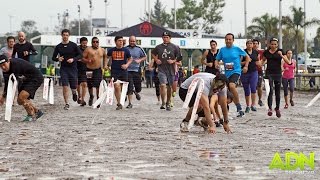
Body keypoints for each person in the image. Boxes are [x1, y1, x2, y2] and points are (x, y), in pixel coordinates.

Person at [215, 33, 250, 117]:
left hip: (236, 71)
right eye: (226, 39)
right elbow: (217, 59)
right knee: (226, 92)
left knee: (231, 86)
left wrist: (246, 66)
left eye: (230, 39)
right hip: (227, 74)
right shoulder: (222, 50)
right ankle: (235, 109)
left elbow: (247, 57)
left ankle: (238, 107)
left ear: (233, 40)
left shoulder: (237, 49)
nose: (228, 41)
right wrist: (216, 64)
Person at [0, 55, 44, 121]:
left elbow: (15, 83)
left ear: (8, 61)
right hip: (25, 79)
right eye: (1, 66)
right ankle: (37, 111)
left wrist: (6, 97)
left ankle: (31, 115)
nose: (3, 67)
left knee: (22, 97)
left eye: (4, 64)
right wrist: (3, 97)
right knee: (20, 101)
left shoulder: (16, 65)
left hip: (36, 77)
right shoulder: (5, 71)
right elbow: (7, 84)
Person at [52, 29, 82, 110]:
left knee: (73, 85)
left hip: (73, 68)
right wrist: (58, 59)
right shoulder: (58, 46)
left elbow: (80, 55)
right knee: (65, 85)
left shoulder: (73, 45)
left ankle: (74, 92)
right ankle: (66, 103)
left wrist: (73, 59)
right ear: (61, 35)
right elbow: (53, 57)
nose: (65, 36)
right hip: (64, 68)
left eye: (66, 35)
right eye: (64, 35)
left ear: (69, 36)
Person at [151, 31, 181, 111]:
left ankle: (168, 102)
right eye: (164, 37)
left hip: (171, 69)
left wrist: (173, 61)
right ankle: (163, 102)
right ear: (162, 38)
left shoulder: (175, 47)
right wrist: (156, 59)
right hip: (161, 69)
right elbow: (152, 53)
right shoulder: (158, 47)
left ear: (170, 38)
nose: (165, 39)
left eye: (167, 37)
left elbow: (179, 57)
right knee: (163, 85)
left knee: (169, 87)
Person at [262, 38, 290, 118]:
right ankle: (270, 108)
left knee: (277, 91)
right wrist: (259, 64)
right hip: (269, 73)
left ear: (277, 45)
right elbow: (263, 61)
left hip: (278, 73)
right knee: (270, 90)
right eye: (272, 44)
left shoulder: (280, 51)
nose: (273, 46)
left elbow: (288, 62)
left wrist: (281, 55)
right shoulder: (266, 52)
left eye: (275, 44)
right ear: (269, 44)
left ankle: (277, 108)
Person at [106, 36, 132, 110]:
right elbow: (107, 58)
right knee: (116, 86)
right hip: (114, 71)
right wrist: (107, 65)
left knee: (123, 87)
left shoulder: (126, 50)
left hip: (123, 71)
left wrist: (126, 65)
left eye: (122, 41)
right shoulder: (111, 50)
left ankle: (123, 97)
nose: (121, 42)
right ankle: (119, 103)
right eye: (119, 41)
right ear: (115, 42)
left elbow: (130, 59)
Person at [82, 37, 107, 107]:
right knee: (89, 84)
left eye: (97, 42)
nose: (95, 43)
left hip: (98, 69)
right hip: (89, 69)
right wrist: (87, 61)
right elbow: (82, 58)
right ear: (91, 42)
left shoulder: (102, 49)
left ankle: (98, 99)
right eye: (94, 42)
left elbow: (105, 57)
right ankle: (91, 96)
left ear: (98, 42)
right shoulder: (88, 49)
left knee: (98, 85)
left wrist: (105, 65)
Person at [126, 36, 147, 108]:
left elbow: (145, 56)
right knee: (130, 86)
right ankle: (130, 103)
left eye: (133, 41)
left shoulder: (139, 49)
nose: (132, 43)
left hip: (136, 70)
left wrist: (140, 60)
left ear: (136, 41)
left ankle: (136, 91)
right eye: (131, 41)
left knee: (138, 88)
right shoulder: (126, 49)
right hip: (128, 70)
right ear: (129, 41)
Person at [240, 39, 260, 113]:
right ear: (246, 45)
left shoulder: (256, 52)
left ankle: (253, 104)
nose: (250, 45)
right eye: (248, 43)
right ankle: (248, 105)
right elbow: (239, 63)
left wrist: (259, 63)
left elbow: (258, 61)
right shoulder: (242, 52)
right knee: (246, 89)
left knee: (253, 87)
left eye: (251, 43)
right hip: (245, 72)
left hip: (254, 72)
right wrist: (246, 61)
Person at [76, 37, 88, 106]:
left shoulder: (88, 49)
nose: (85, 44)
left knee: (84, 84)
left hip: (85, 69)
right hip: (77, 68)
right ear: (80, 43)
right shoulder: (77, 49)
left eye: (86, 43)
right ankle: (79, 96)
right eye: (83, 43)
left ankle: (83, 99)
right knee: (77, 84)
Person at [253, 39, 264, 106]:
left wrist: (261, 63)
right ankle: (252, 101)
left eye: (256, 43)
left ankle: (260, 99)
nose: (255, 45)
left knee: (259, 85)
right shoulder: (249, 52)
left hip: (259, 71)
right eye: (254, 43)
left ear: (258, 44)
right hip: (251, 71)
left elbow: (265, 59)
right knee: (253, 86)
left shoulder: (261, 52)